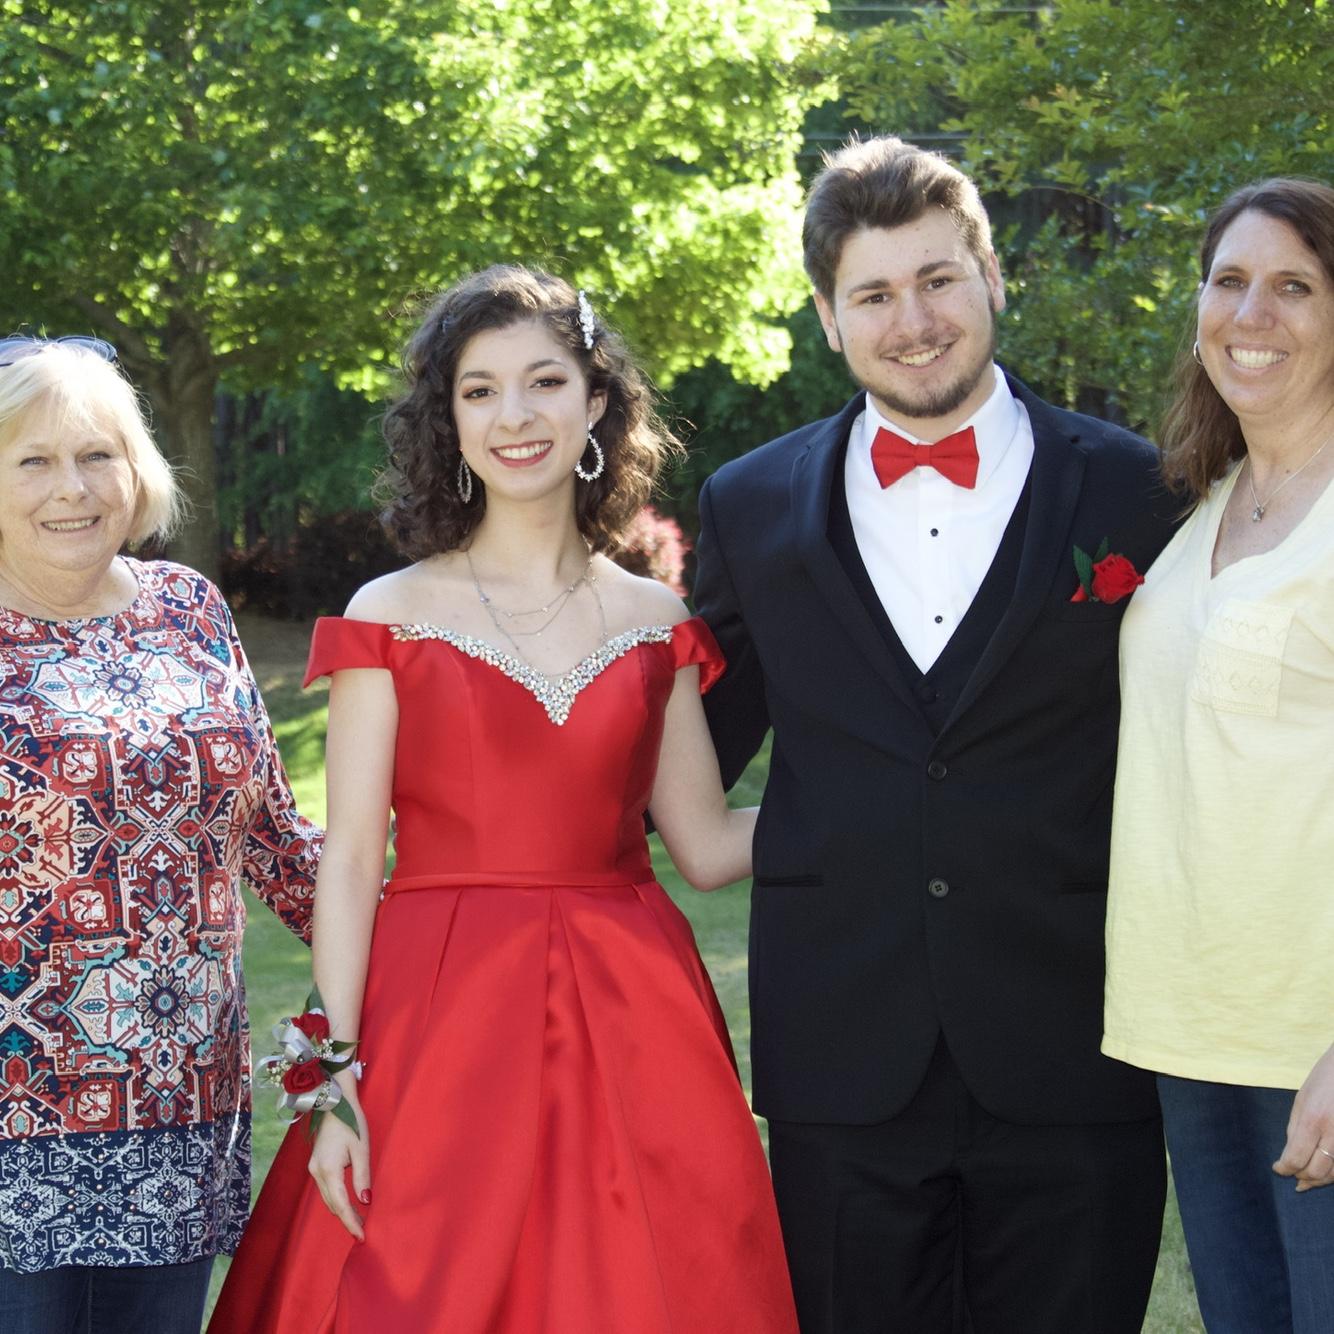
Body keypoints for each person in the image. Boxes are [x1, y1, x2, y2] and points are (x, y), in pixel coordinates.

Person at [209, 266, 798, 1333]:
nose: (513, 416)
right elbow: (347, 866)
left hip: (635, 1015)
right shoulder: (389, 611)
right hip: (434, 1012)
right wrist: (325, 1091)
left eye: (542, 381)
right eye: (477, 391)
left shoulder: (655, 614)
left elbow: (706, 845)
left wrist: (884, 800)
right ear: (448, 419)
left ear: (595, 402)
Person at [692, 135, 1179, 1333]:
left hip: (1078, 1041)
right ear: (826, 315)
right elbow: (682, 741)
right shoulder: (747, 505)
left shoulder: (1139, 488)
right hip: (841, 1054)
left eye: (936, 280)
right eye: (871, 294)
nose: (911, 320)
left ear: (991, 276)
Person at [0, 337, 320, 1334]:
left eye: (99, 453)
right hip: (18, 1117)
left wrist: (429, 947)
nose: (74, 487)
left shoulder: (189, 610)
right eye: (34, 459)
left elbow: (271, 834)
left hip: (181, 1105)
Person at [1104, 176, 1334, 1334]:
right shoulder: (1210, 498)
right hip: (1191, 1029)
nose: (1254, 312)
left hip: (1315, 1042)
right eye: (1229, 281)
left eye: (1293, 284)